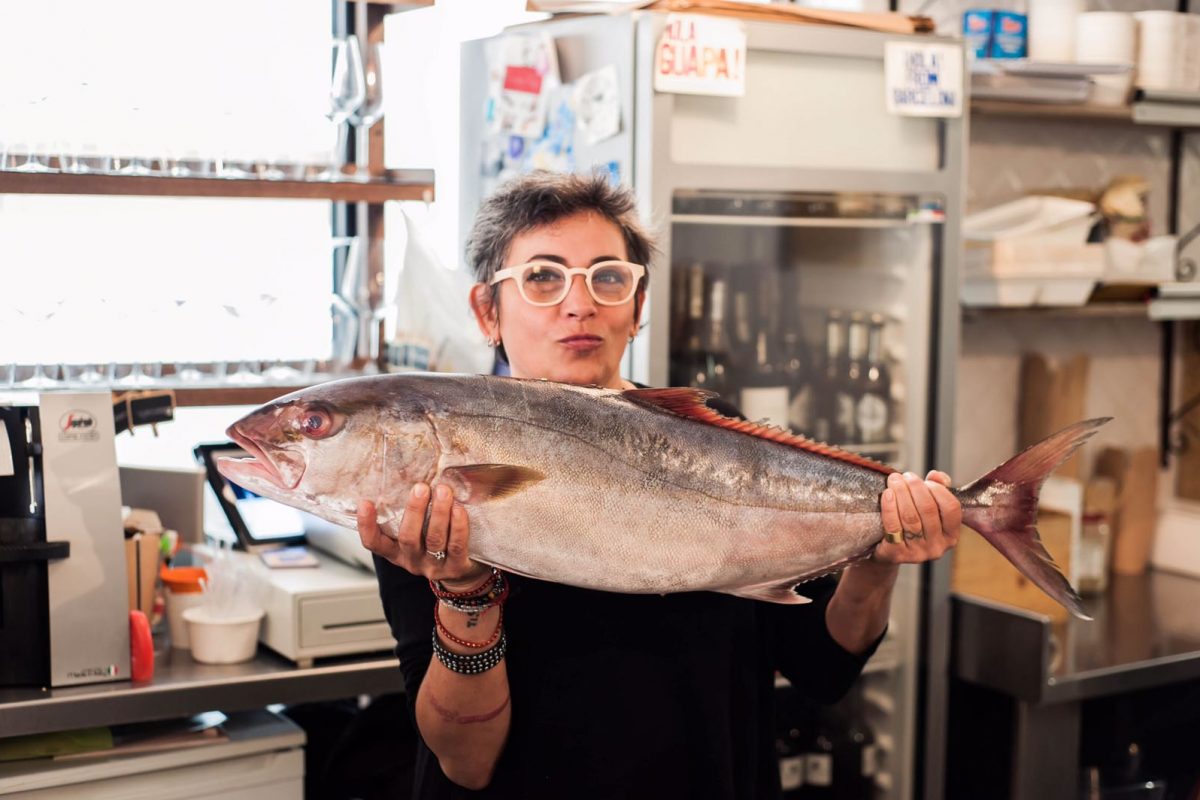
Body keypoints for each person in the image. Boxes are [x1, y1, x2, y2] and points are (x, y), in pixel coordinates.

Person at [357, 171, 962, 799]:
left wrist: (877, 564)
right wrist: (465, 596)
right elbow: (466, 763)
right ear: (488, 311)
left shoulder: (717, 445)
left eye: (607, 277)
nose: (579, 302)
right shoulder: (428, 486)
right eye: (542, 277)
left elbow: (822, 668)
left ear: (638, 307)